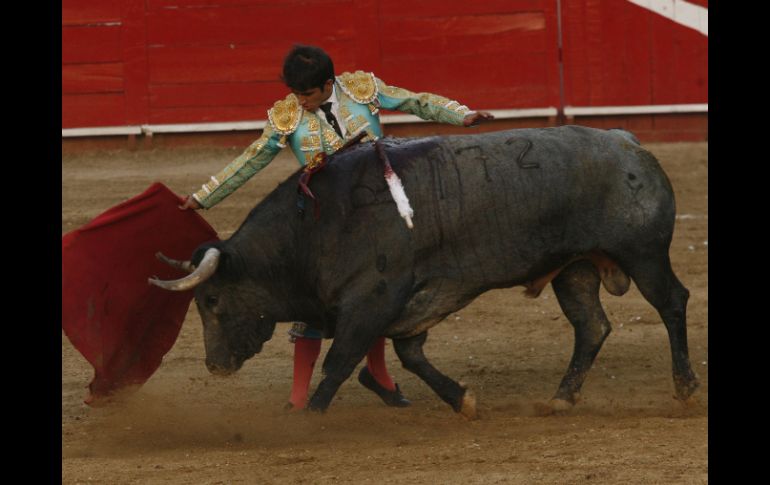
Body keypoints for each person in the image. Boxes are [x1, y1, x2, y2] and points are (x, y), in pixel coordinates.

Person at [180, 44, 494, 410]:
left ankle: (378, 375)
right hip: (322, 226)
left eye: (307, 94)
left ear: (328, 84)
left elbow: (415, 102)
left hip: (377, 214)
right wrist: (203, 196)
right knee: (310, 305)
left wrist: (460, 115)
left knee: (374, 297)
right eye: (296, 94)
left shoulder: (361, 89)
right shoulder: (287, 115)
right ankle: (299, 398)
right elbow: (252, 159)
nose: (301, 101)